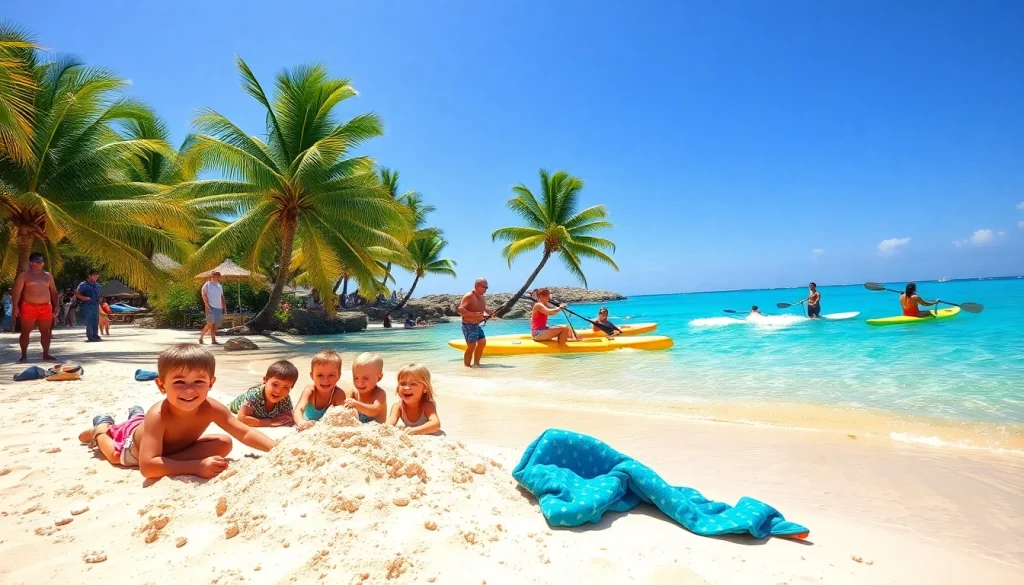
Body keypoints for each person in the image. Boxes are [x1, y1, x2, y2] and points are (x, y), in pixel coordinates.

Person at [76, 343, 276, 478]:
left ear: (211, 383)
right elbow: (146, 468)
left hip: (170, 450)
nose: (189, 390)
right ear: (162, 385)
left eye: (199, 381)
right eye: (179, 382)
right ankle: (101, 428)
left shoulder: (211, 408)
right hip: (135, 449)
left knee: (224, 443)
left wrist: (276, 448)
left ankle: (136, 416)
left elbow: (246, 432)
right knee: (114, 455)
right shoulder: (159, 415)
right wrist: (196, 467)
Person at [12, 252, 59, 362]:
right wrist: (15, 306)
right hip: (28, 306)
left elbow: (54, 292)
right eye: (37, 261)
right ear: (31, 263)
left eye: (42, 261)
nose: (40, 264)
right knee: (25, 331)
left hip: (46, 306)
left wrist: (57, 305)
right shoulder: (24, 275)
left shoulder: (48, 276)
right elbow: (17, 292)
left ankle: (46, 354)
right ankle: (24, 355)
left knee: (45, 331)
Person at [228, 360, 298, 427]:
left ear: (291, 388)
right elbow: (242, 418)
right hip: (233, 406)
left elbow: (288, 414)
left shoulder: (285, 398)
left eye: (286, 387)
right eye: (275, 384)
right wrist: (271, 422)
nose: (278, 391)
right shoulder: (255, 395)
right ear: (265, 380)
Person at [293, 349, 348, 430]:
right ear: (312, 376)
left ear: (339, 376)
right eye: (320, 375)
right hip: (307, 425)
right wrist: (301, 422)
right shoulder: (310, 391)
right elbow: (299, 409)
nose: (325, 380)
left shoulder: (338, 394)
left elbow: (339, 417)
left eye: (331, 375)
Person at [386, 363, 441, 435]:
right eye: (402, 383)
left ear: (425, 388)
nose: (406, 388)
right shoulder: (398, 406)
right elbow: (389, 423)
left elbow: (436, 424)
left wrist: (415, 430)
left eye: (413, 384)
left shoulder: (427, 405)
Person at [457, 278, 494, 367]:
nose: (485, 289)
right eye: (484, 287)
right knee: (471, 346)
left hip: (477, 325)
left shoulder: (482, 297)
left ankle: (477, 364)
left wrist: (489, 312)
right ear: (477, 286)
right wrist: (474, 314)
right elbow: (460, 310)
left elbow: (483, 307)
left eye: (487, 287)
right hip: (468, 325)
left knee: (482, 342)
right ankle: (467, 366)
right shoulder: (469, 296)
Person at [345, 352, 388, 424]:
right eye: (355, 378)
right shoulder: (353, 393)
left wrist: (356, 404)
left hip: (376, 429)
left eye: (366, 378)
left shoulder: (379, 393)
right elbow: (345, 404)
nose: (359, 382)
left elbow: (374, 410)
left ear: (379, 377)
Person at [75, 268, 102, 342]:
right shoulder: (83, 284)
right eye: (94, 276)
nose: (95, 278)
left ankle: (95, 335)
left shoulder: (98, 285)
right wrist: (85, 298)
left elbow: (100, 294)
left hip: (95, 304)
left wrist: (101, 299)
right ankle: (90, 336)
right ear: (89, 276)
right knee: (89, 320)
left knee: (95, 320)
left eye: (97, 277)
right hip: (87, 304)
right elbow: (77, 294)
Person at [199, 271, 226, 345]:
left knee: (216, 325)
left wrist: (224, 307)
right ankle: (201, 337)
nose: (214, 277)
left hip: (218, 307)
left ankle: (213, 340)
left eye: (216, 276)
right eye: (213, 276)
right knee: (210, 323)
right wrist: (207, 305)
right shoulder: (207, 285)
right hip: (210, 307)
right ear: (211, 276)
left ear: (218, 277)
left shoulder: (219, 286)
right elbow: (203, 295)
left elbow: (221, 297)